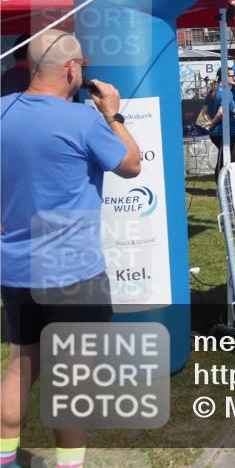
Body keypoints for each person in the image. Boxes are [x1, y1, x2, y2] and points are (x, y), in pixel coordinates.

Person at [1, 30, 142, 468]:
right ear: (69, 69)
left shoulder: (2, 112)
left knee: (20, 362)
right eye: (81, 64)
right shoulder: (83, 122)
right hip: (72, 273)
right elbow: (132, 164)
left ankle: (6, 456)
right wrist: (113, 115)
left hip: (15, 268)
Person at [201, 67, 235, 180]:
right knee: (228, 161)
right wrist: (212, 123)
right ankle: (223, 187)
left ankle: (225, 186)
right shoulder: (226, 92)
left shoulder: (213, 91)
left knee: (225, 158)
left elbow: (204, 111)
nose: (234, 77)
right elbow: (221, 111)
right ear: (225, 77)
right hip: (225, 132)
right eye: (232, 75)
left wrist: (209, 122)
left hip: (216, 133)